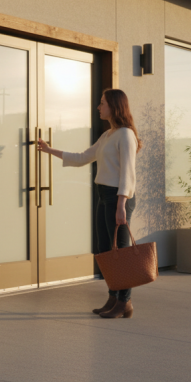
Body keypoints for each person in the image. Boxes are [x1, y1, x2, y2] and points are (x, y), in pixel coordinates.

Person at [37, 88, 141, 319]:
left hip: (118, 197)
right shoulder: (108, 135)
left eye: (102, 103)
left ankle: (125, 302)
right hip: (104, 195)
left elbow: (128, 173)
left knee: (120, 253)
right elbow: (83, 157)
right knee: (106, 251)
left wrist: (122, 204)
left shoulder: (125, 135)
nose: (98, 107)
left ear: (114, 106)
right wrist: (48, 150)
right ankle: (114, 297)